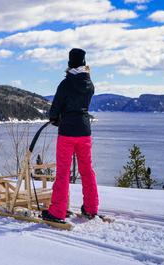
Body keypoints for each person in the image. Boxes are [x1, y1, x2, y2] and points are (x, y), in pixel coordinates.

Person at [41, 48, 98, 223]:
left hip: (67, 132)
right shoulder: (89, 84)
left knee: (63, 173)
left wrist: (56, 119)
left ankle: (57, 211)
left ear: (69, 63)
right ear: (83, 63)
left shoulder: (65, 84)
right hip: (84, 131)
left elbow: (55, 109)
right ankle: (91, 208)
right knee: (87, 170)